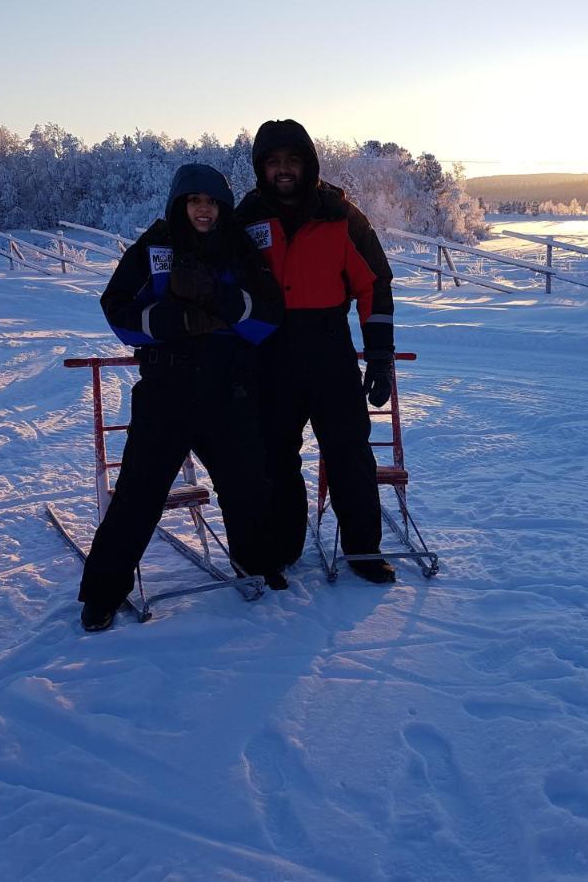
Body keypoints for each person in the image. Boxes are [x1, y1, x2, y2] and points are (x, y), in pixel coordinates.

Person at [78, 163, 285, 632]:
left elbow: (269, 317)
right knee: (137, 494)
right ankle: (102, 594)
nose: (204, 210)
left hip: (229, 390)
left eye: (211, 201)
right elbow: (115, 308)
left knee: (247, 484)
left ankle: (258, 564)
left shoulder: (241, 251)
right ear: (179, 204)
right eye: (194, 201)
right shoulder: (153, 247)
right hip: (166, 391)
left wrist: (223, 302)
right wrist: (168, 320)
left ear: (223, 206)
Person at [235, 119, 397, 584]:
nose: (284, 170)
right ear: (261, 168)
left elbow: (374, 286)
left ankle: (364, 551)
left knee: (348, 452)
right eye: (273, 162)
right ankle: (283, 549)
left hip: (329, 350)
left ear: (309, 163)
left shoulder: (341, 215)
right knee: (275, 457)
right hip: (270, 355)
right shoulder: (245, 219)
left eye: (293, 160)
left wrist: (380, 358)